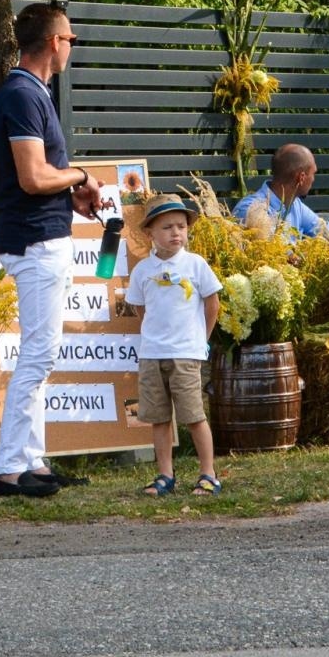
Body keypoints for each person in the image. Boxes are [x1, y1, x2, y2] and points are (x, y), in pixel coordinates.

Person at [0, 1, 103, 498]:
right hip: (35, 241)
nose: (71, 47)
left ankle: (32, 460)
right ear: (55, 43)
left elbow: (34, 176)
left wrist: (69, 192)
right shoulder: (22, 94)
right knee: (38, 355)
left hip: (37, 234)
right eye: (71, 40)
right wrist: (79, 176)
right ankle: (9, 468)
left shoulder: (29, 93)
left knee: (41, 354)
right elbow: (34, 177)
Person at [125, 196, 224, 496]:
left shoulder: (195, 264)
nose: (176, 233)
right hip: (152, 354)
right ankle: (165, 474)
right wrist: (153, 338)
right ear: (149, 234)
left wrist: (200, 339)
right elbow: (141, 310)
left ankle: (208, 474)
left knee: (194, 416)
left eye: (181, 226)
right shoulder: (143, 270)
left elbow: (212, 304)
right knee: (158, 417)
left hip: (186, 354)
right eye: (167, 227)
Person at [232, 143, 329, 243]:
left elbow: (326, 232)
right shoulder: (250, 209)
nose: (313, 179)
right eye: (313, 173)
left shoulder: (295, 205)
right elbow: (277, 251)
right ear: (301, 177)